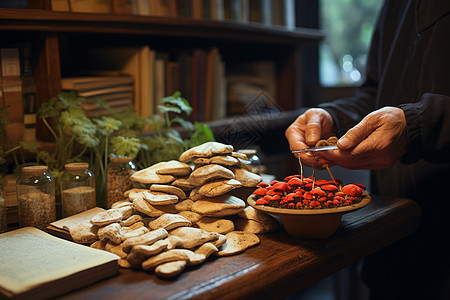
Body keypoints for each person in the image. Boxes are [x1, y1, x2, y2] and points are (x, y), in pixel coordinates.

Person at [285, 1, 450, 299]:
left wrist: (420, 125)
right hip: (394, 245)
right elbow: (374, 93)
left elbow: (412, 116)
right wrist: (332, 117)